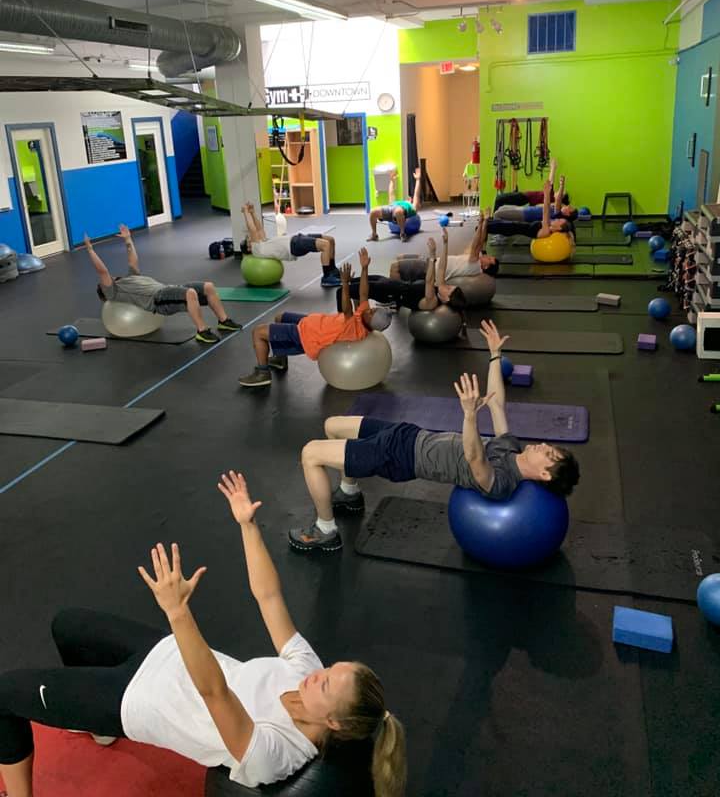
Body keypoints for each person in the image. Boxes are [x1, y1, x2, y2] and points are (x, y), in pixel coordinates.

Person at [0, 472, 407, 797]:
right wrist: (247, 525)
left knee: (2, 696)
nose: (319, 674)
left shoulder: (276, 753)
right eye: (331, 669)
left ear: (333, 722)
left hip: (139, 703)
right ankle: (97, 729)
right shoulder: (305, 672)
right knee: (67, 624)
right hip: (165, 653)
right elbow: (269, 597)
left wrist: (178, 611)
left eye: (327, 684)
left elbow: (214, 692)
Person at [289, 320, 580, 552]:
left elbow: (475, 458)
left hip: (399, 457)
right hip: (410, 434)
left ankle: (325, 530)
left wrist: (469, 415)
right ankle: (349, 492)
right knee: (333, 425)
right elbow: (496, 403)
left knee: (310, 454)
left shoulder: (503, 482)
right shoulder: (511, 448)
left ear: (545, 474)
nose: (543, 445)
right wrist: (495, 355)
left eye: (549, 454)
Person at [238, 248, 393, 388]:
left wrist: (345, 283)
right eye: (372, 309)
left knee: (258, 332)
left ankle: (263, 373)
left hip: (308, 335)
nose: (369, 309)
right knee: (280, 317)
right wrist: (365, 268)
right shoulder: (365, 315)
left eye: (371, 312)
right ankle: (280, 358)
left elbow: (347, 309)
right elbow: (364, 293)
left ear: (371, 322)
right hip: (311, 323)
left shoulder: (356, 328)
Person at [85, 225, 242, 345]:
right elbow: (102, 271)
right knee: (190, 293)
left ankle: (224, 321)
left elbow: (132, 260)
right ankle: (202, 331)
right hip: (158, 300)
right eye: (104, 283)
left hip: (168, 288)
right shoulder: (113, 291)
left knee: (208, 287)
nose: (110, 278)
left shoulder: (129, 278)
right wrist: (90, 250)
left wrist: (127, 240)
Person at [337, 237, 466, 314]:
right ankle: (357, 315)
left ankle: (344, 323)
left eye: (449, 289)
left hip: (386, 292)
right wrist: (445, 243)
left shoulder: (432, 302)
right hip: (388, 282)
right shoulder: (440, 289)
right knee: (351, 283)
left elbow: (429, 281)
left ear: (447, 299)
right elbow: (442, 267)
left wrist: (432, 255)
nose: (447, 285)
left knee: (341, 291)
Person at [239, 203, 341, 288]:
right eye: (248, 240)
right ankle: (327, 277)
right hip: (293, 245)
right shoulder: (256, 249)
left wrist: (252, 212)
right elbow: (252, 229)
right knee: (326, 245)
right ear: (249, 248)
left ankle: (332, 270)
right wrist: (245, 213)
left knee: (330, 240)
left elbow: (259, 228)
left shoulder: (262, 243)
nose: (250, 238)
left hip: (296, 238)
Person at [390, 223, 499, 283]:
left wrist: (480, 224)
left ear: (485, 267)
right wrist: (485, 222)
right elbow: (481, 242)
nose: (488, 256)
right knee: (400, 257)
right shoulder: (478, 259)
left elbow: (475, 244)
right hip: (432, 260)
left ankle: (395, 296)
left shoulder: (476, 265)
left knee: (394, 267)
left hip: (431, 268)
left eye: (489, 259)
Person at [368, 168, 422, 243]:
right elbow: (391, 192)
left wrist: (418, 180)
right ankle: (374, 234)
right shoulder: (395, 202)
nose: (407, 198)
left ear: (411, 200)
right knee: (372, 211)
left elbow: (416, 194)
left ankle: (402, 233)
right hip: (390, 210)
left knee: (398, 211)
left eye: (409, 198)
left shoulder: (412, 207)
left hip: (400, 213)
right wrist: (392, 180)